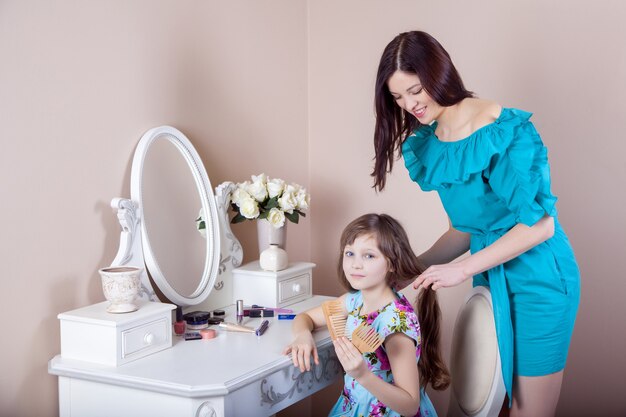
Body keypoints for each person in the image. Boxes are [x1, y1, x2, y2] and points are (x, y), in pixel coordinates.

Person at [372, 31, 580, 417]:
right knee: (490, 404)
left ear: (439, 73)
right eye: (398, 97)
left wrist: (460, 269)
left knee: (527, 410)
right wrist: (410, 271)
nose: (410, 105)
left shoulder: (503, 129)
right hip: (490, 275)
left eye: (415, 90)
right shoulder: (432, 141)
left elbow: (541, 226)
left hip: (540, 280)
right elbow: (465, 229)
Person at [283, 213, 449, 417]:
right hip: (353, 407)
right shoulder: (354, 300)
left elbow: (410, 405)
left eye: (368, 255)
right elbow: (305, 318)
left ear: (392, 263)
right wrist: (303, 335)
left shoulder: (396, 325)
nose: (355, 264)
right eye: (349, 253)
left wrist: (363, 375)